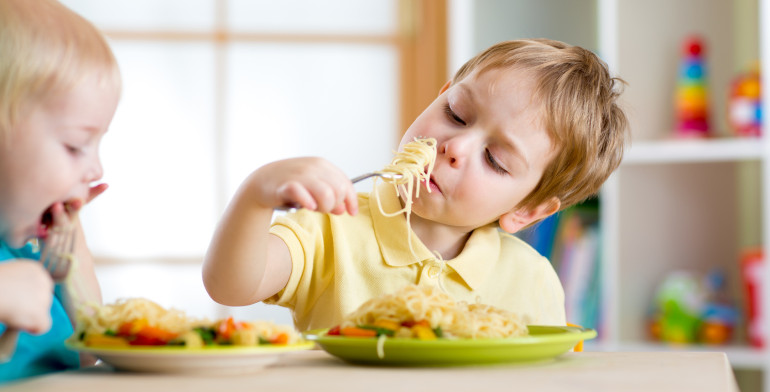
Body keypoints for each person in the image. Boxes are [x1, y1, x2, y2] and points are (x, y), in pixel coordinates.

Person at [203, 39, 627, 332]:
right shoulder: (331, 229)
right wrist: (257, 195)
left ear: (527, 210)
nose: (455, 146)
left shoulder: (531, 278)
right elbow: (230, 286)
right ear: (440, 95)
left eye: (495, 160)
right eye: (457, 114)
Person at [0, 0, 121, 382]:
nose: (96, 168)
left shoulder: (26, 246)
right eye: (74, 146)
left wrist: (72, 263)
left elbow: (89, 354)